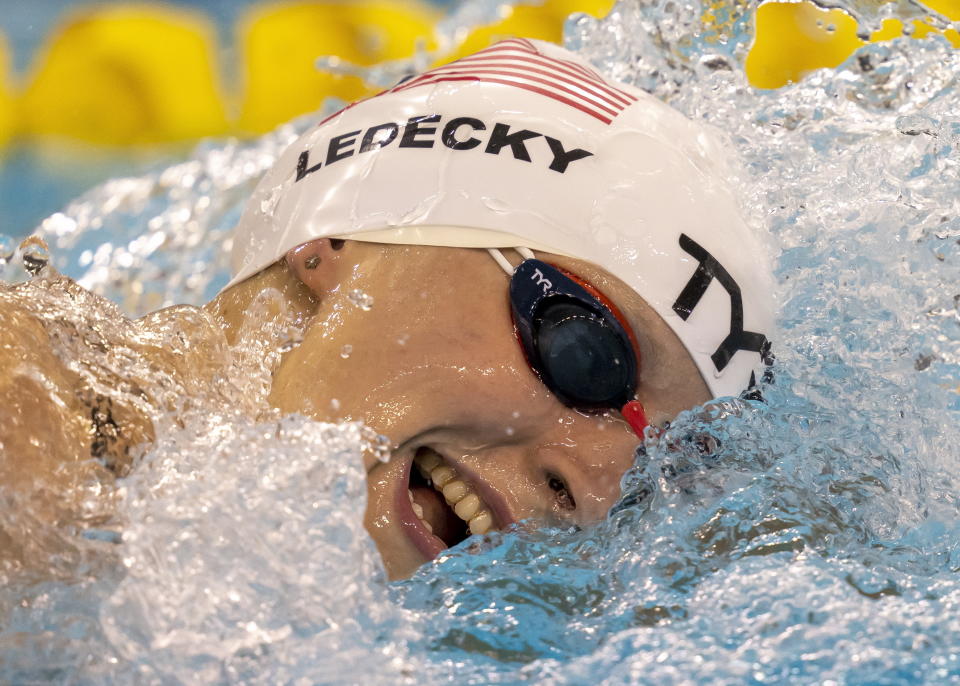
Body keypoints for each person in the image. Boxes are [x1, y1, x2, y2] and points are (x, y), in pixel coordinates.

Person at [0, 39, 773, 580]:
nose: (601, 490)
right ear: (329, 245)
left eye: (653, 468)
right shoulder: (27, 420)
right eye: (584, 351)